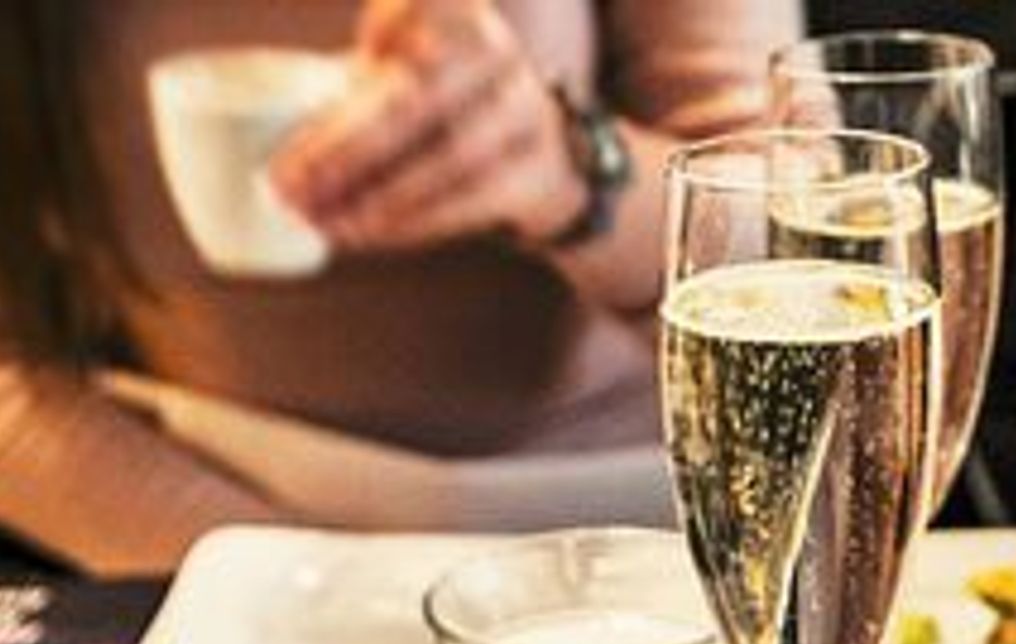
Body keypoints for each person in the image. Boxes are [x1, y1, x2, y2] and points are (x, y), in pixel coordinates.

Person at [0, 0, 799, 575]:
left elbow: (805, 253)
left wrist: (565, 170)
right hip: (195, 549)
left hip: (641, 550)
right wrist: (256, 574)